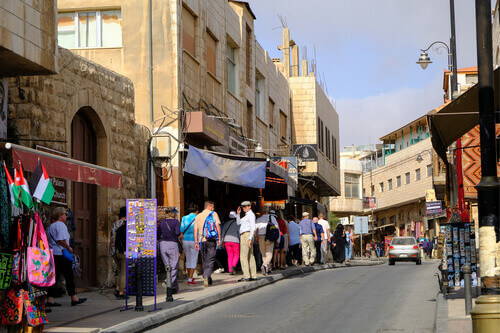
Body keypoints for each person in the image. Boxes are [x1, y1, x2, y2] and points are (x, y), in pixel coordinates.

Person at [47, 207, 87, 307]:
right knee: (69, 276)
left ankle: (50, 299)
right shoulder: (61, 225)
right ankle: (74, 298)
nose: (66, 216)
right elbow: (61, 240)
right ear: (60, 216)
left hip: (54, 253)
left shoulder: (51, 226)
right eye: (65, 214)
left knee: (54, 277)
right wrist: (68, 247)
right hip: (62, 253)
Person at [194, 201, 222, 287]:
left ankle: (207, 276)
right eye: (212, 207)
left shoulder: (198, 216)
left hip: (201, 240)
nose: (213, 209)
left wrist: (196, 242)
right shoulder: (213, 214)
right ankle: (206, 275)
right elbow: (217, 226)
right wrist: (219, 239)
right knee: (211, 258)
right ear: (209, 207)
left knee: (204, 259)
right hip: (211, 239)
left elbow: (195, 230)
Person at [158, 208, 181, 294]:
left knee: (167, 266)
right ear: (173, 214)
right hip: (172, 244)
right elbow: (177, 232)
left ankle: (173, 287)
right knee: (174, 266)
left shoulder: (162, 222)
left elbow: (158, 233)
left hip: (163, 244)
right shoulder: (176, 222)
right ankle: (167, 282)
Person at [236, 201, 257, 281]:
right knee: (250, 255)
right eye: (243, 206)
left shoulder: (250, 215)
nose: (244, 208)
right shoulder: (246, 215)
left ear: (249, 206)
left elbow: (253, 227)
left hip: (246, 235)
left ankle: (246, 275)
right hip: (246, 235)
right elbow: (238, 223)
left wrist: (250, 238)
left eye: (245, 206)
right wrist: (238, 214)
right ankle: (253, 275)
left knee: (243, 256)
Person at [109, 206, 127, 299]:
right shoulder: (128, 224)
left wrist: (112, 251)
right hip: (124, 251)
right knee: (124, 273)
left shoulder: (115, 224)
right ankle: (121, 292)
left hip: (115, 251)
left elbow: (112, 238)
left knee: (120, 272)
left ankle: (117, 288)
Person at [255, 206, 279, 275]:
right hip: (269, 237)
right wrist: (278, 239)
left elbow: (255, 229)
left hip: (260, 237)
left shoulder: (259, 219)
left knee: (263, 253)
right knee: (269, 253)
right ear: (268, 211)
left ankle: (267, 269)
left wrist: (256, 237)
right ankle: (265, 265)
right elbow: (277, 228)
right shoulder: (272, 218)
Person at [180, 205, 199, 285]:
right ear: (196, 211)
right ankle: (190, 279)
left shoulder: (184, 218)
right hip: (195, 240)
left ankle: (189, 277)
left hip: (185, 240)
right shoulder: (198, 218)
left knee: (188, 258)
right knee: (194, 259)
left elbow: (181, 229)